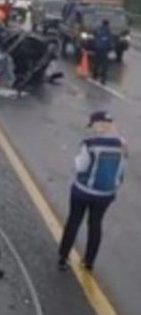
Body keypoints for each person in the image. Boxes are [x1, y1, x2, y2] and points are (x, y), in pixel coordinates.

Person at [58, 111, 127, 271]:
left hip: (83, 190)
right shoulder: (122, 144)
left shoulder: (90, 143)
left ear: (97, 125)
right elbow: (122, 169)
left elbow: (81, 166)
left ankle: (63, 257)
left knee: (74, 221)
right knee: (95, 224)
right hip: (105, 194)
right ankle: (89, 261)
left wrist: (75, 162)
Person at [91, 19, 112, 84]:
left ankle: (95, 75)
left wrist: (94, 46)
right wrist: (110, 48)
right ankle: (103, 78)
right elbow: (109, 41)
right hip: (104, 49)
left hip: (97, 48)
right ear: (108, 24)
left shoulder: (98, 29)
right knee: (104, 64)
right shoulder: (108, 31)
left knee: (96, 62)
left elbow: (95, 38)